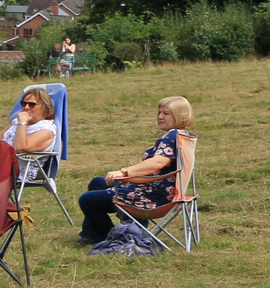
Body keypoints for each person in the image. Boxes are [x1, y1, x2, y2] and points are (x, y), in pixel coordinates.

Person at [77, 96, 193, 245]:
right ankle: (91, 234)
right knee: (97, 183)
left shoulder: (172, 136)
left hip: (152, 197)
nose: (160, 117)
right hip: (158, 189)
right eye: (159, 112)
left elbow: (158, 162)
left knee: (87, 200)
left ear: (180, 115)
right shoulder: (183, 136)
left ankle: (113, 238)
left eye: (166, 113)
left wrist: (125, 173)